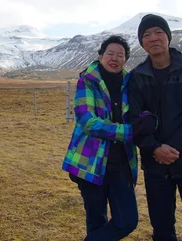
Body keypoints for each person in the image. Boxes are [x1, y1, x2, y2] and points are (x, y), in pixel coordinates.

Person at [128, 14, 182, 241]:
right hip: (155, 166)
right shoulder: (136, 77)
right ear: (141, 42)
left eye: (158, 32)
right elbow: (133, 120)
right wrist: (154, 148)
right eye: (146, 35)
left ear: (168, 37)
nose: (153, 38)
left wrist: (169, 149)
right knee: (162, 227)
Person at [62, 35, 156, 241]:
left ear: (125, 60)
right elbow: (88, 122)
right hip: (90, 162)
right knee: (96, 221)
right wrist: (129, 131)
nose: (115, 58)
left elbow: (141, 109)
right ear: (101, 56)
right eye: (110, 53)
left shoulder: (131, 83)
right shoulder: (87, 81)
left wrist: (147, 117)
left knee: (127, 220)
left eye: (120, 55)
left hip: (120, 163)